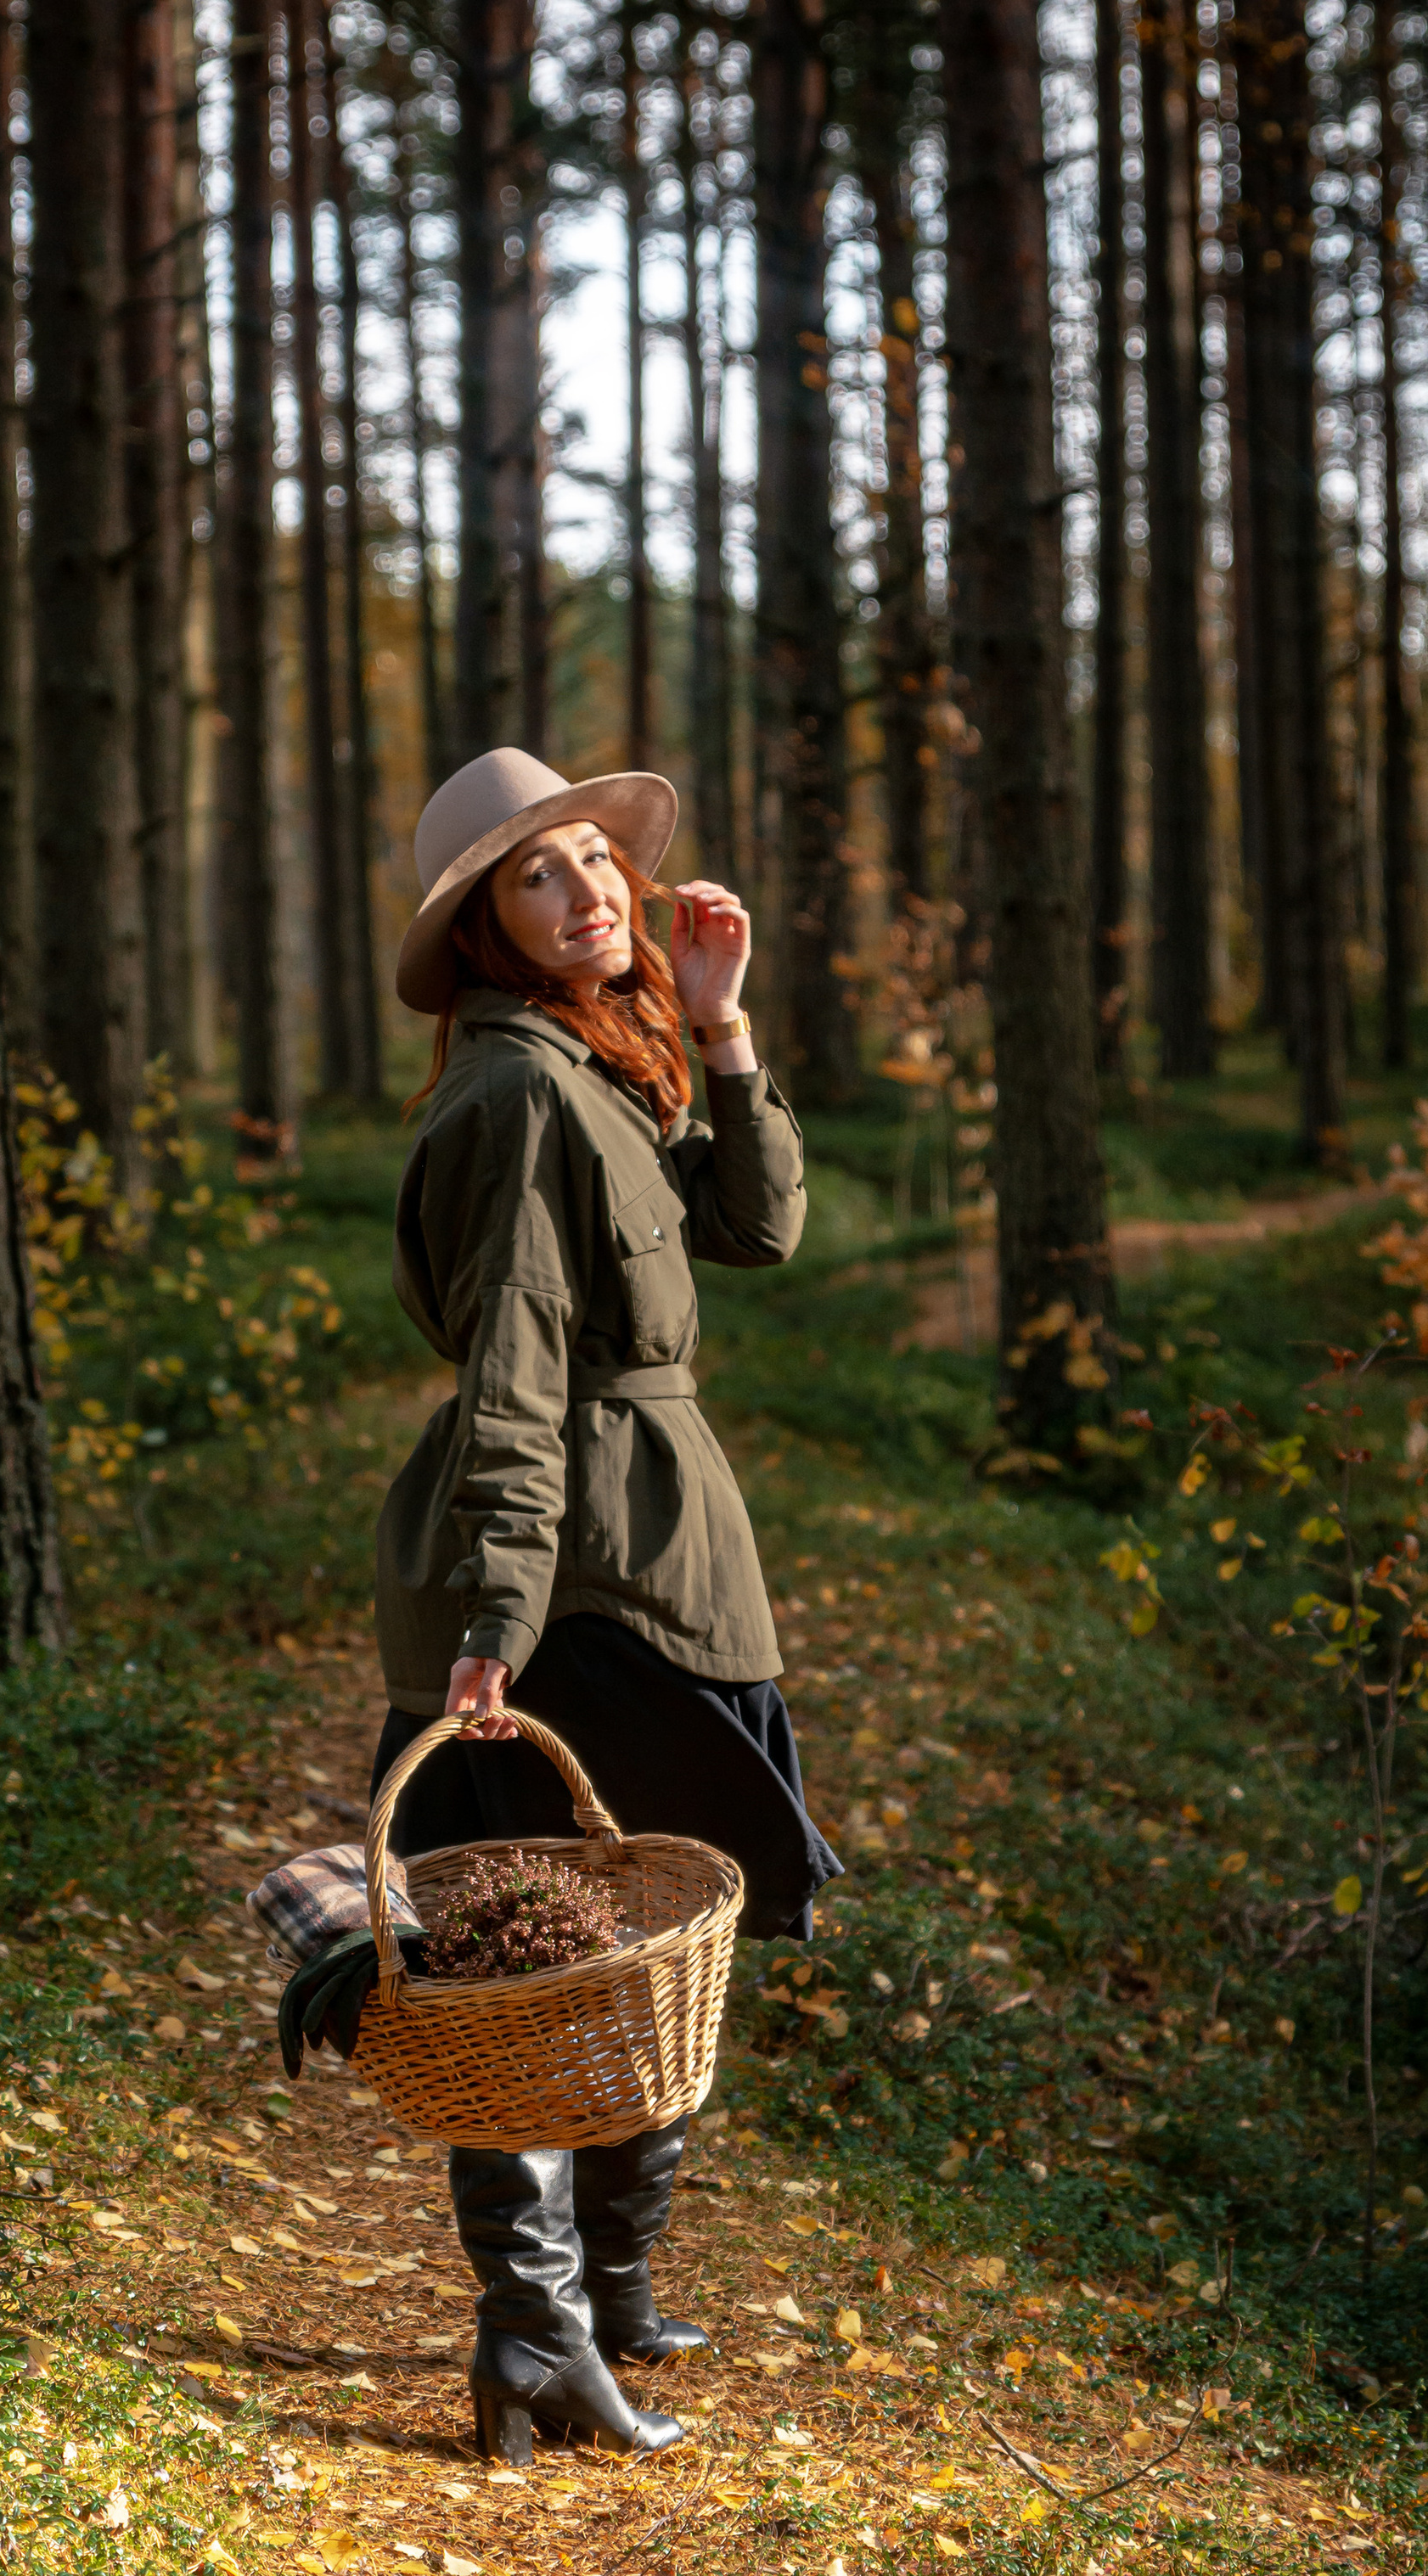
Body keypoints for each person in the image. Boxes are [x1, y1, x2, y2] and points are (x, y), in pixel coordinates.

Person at [370, 745, 839, 2467]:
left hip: (656, 1545)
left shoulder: (601, 1067)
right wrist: (491, 1614)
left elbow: (757, 1230)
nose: (587, 893)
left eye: (592, 860)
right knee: (530, 1966)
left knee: (660, 1926)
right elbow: (510, 1370)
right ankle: (532, 2341)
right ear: (485, 934)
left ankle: (614, 2292)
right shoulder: (509, 1099)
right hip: (568, 1569)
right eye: (536, 877)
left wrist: (719, 1031)